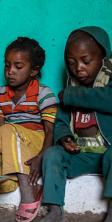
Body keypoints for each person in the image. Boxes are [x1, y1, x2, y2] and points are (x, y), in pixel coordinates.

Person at [0, 37, 57, 221]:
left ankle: (29, 192)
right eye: (7, 65)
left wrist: (41, 156)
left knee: (8, 130)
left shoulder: (44, 93)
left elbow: (50, 131)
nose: (10, 71)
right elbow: (0, 128)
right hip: (10, 140)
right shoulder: (1, 94)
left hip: (35, 142)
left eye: (18, 66)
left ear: (34, 70)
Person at [40, 26, 112, 222]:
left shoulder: (108, 81)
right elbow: (61, 120)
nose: (79, 67)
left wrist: (72, 96)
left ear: (104, 57)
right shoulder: (71, 85)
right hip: (81, 153)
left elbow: (107, 99)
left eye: (86, 61)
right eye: (72, 63)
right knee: (52, 154)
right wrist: (64, 137)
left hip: (108, 152)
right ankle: (54, 210)